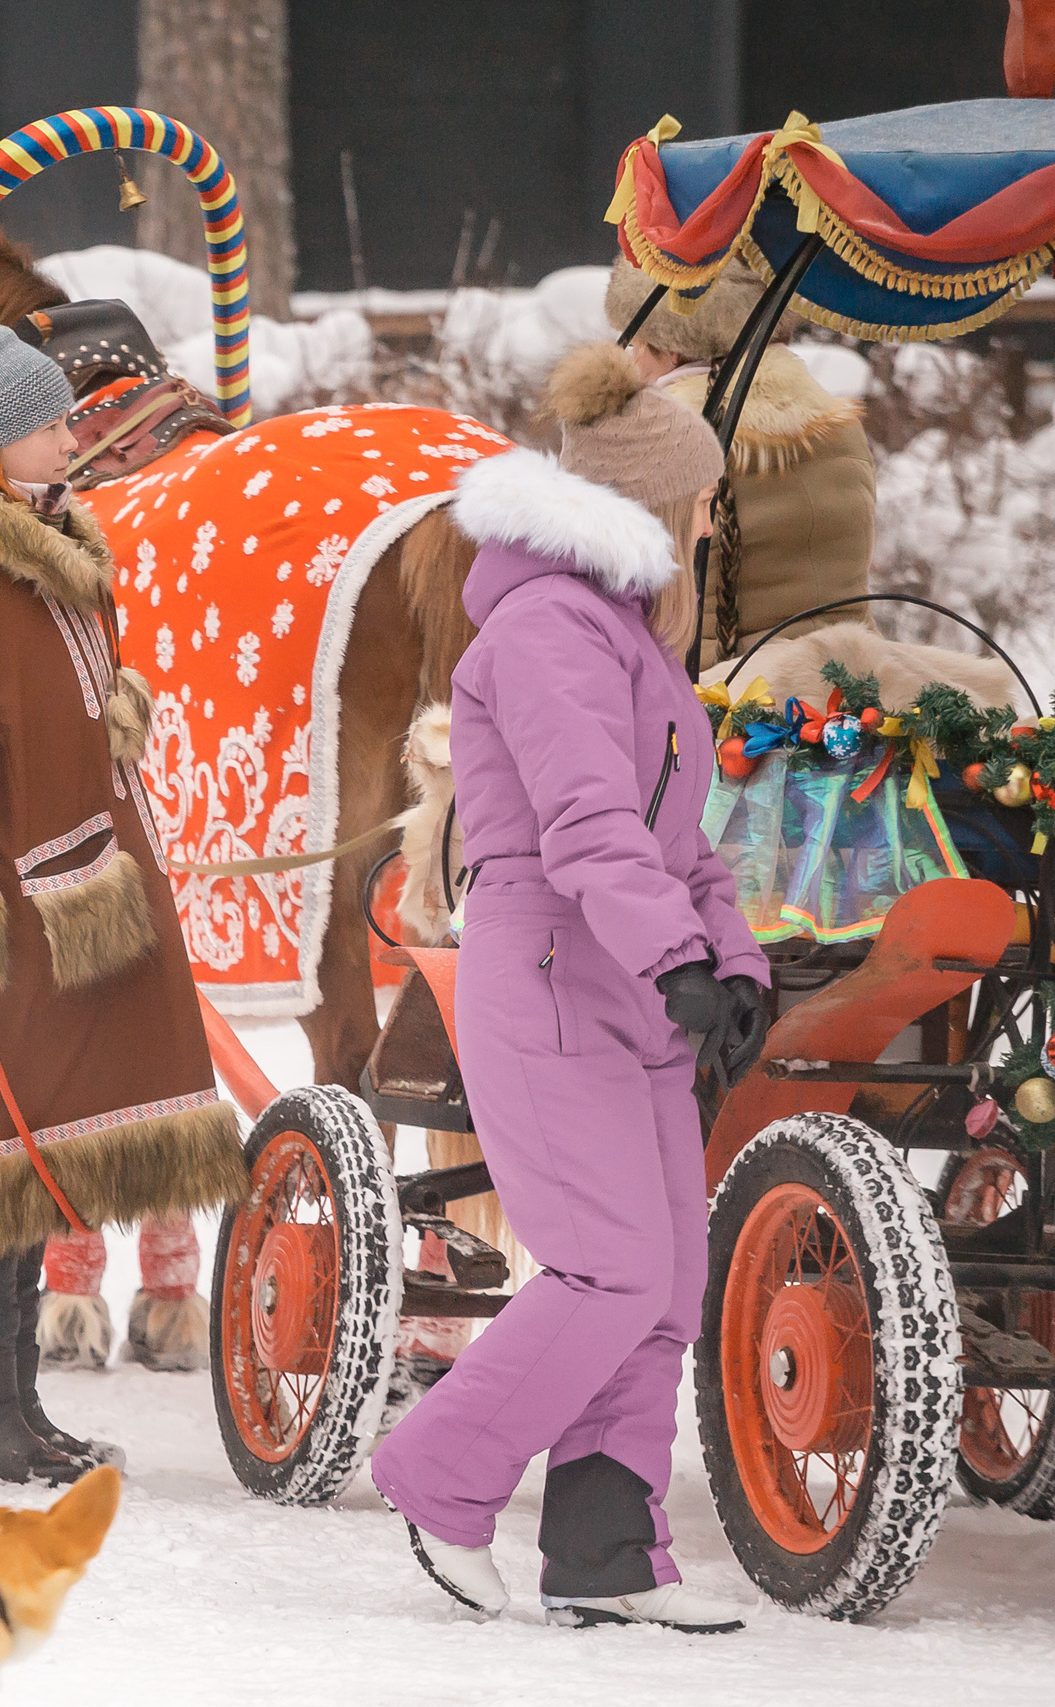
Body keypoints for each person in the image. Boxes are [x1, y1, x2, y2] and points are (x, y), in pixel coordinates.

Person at [366, 342, 771, 1632]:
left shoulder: (631, 641)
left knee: (662, 1284)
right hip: (547, 964)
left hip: (631, 974)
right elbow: (587, 827)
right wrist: (679, 956)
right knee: (602, 1266)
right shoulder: (546, 631)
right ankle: (439, 1477)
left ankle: (605, 1553)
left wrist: (733, 963)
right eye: (703, 499)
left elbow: (678, 844)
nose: (715, 519)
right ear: (654, 507)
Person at [0, 324, 246, 1486]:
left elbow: (45, 702)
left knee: (29, 1162)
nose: (72, 431)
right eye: (48, 418)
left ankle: (18, 1408)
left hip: (70, 892)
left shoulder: (47, 543)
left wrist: (103, 713)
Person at [603, 259, 876, 674]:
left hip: (718, 699)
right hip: (845, 692)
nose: (633, 361)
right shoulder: (841, 426)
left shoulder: (658, 441)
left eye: (638, 344)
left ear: (672, 345)